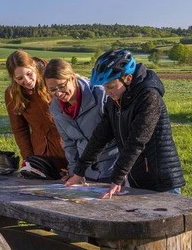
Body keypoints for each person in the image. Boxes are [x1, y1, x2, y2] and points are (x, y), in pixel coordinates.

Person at [65, 49, 184, 198]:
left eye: (111, 86)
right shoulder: (114, 101)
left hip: (161, 182)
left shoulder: (149, 97)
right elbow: (99, 137)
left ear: (127, 78)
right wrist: (79, 171)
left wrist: (117, 178)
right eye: (104, 87)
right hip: (137, 179)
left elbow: (137, 141)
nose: (107, 92)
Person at [43, 58, 118, 182]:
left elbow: (121, 132)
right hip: (85, 173)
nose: (59, 93)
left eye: (61, 86)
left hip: (112, 167)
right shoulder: (55, 109)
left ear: (72, 78)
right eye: (52, 90)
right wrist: (74, 172)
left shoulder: (101, 95)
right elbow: (69, 143)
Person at [4, 51, 67, 176]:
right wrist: (29, 160)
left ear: (34, 67)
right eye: (19, 78)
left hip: (68, 146)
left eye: (29, 74)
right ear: (13, 77)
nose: (26, 81)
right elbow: (19, 129)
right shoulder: (12, 94)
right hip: (41, 151)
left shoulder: (53, 79)